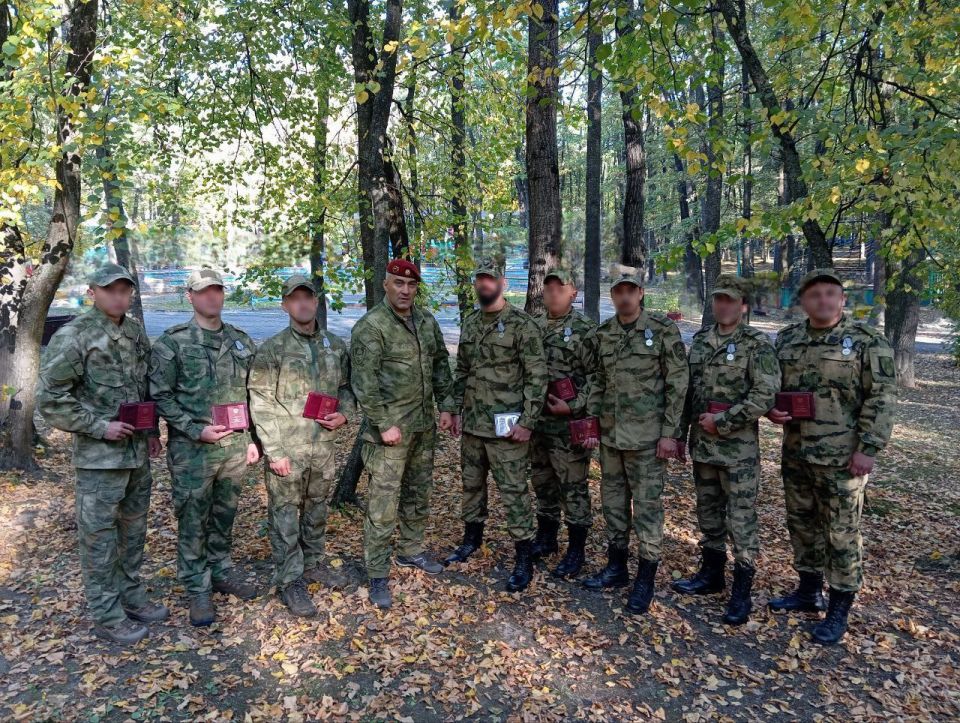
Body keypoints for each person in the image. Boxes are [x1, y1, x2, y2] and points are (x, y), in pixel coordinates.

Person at [36, 263, 167, 645]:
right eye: (110, 290)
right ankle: (107, 615)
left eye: (124, 290)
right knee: (99, 538)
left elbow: (143, 388)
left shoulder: (134, 331)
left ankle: (131, 597)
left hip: (136, 455)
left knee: (133, 532)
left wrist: (151, 432)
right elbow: (50, 398)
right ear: (93, 292)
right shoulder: (75, 336)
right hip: (99, 460)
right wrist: (99, 426)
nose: (118, 297)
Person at [766, 268, 896, 644]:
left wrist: (868, 448)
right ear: (803, 301)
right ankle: (808, 591)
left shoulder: (866, 341)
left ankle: (839, 608)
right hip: (797, 452)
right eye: (814, 294)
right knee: (802, 524)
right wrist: (771, 409)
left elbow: (882, 397)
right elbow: (772, 386)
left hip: (843, 459)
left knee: (841, 533)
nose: (822, 300)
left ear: (842, 299)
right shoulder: (788, 339)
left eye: (830, 293)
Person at [149, 269, 261, 627]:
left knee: (225, 514)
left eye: (217, 290)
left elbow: (253, 394)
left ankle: (220, 569)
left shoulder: (240, 341)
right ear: (190, 297)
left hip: (234, 446)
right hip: (192, 451)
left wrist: (253, 439)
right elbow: (160, 396)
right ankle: (197, 587)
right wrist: (194, 429)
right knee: (193, 519)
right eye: (203, 291)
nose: (212, 297)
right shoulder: (173, 343)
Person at [674, 274, 780, 625]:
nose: (723, 305)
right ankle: (712, 575)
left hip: (738, 452)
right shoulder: (702, 340)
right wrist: (679, 434)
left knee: (741, 519)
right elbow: (688, 393)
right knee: (708, 514)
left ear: (743, 306)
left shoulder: (756, 344)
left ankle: (742, 591)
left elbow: (764, 394)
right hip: (703, 448)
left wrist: (722, 421)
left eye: (730, 300)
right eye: (719, 299)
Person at [581, 267, 688, 614]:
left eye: (631, 290)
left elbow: (677, 383)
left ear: (641, 293)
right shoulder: (604, 333)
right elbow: (597, 380)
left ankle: (645, 579)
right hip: (612, 437)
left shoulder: (661, 330)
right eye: (619, 291)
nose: (624, 297)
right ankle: (616, 568)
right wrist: (592, 422)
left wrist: (670, 433)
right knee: (613, 505)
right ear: (612, 295)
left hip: (647, 440)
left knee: (647, 510)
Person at [349, 259, 455, 610]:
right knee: (383, 503)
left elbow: (440, 364)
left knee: (418, 493)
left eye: (411, 285)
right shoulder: (372, 326)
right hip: (389, 433)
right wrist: (383, 423)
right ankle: (377, 572)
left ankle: (411, 549)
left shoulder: (425, 320)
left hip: (423, 426)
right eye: (398, 283)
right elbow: (363, 382)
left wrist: (447, 406)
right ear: (386, 285)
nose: (405, 290)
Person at [248, 274, 355, 617]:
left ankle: (313, 563)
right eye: (295, 299)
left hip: (322, 448)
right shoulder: (273, 350)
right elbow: (260, 403)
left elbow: (348, 388)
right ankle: (290, 579)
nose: (303, 304)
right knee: (284, 516)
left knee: (317, 509)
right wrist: (274, 451)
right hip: (288, 451)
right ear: (285, 305)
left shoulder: (334, 346)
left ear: (316, 302)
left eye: (308, 297)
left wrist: (345, 414)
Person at [443, 257, 548, 593]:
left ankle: (523, 557)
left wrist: (528, 422)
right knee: (472, 486)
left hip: (507, 430)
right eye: (480, 279)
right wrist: (454, 409)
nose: (484, 285)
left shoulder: (521, 324)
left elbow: (537, 377)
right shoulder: (471, 322)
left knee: (514, 492)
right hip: (474, 425)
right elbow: (462, 370)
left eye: (490, 279)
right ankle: (471, 540)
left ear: (503, 283)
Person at [528, 268, 598, 578]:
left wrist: (574, 406)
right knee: (542, 481)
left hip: (570, 425)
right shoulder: (534, 326)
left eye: (561, 288)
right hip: (538, 423)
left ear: (574, 293)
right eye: (549, 288)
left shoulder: (585, 330)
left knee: (573, 487)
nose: (554, 293)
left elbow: (597, 378)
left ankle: (576, 550)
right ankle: (547, 538)